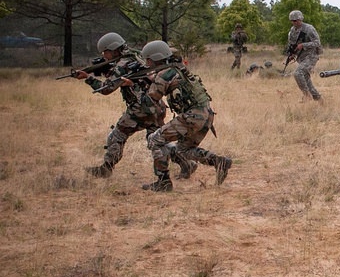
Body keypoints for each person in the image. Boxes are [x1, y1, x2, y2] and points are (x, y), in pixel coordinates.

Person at [75, 32, 194, 180]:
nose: (104, 55)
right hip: (156, 107)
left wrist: (87, 78)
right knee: (156, 140)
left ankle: (106, 168)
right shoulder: (136, 57)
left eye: (105, 52)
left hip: (140, 109)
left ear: (113, 50)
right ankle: (185, 163)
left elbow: (106, 89)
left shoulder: (122, 64)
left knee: (117, 135)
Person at [139, 41, 232, 192]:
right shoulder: (177, 68)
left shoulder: (164, 74)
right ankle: (219, 162)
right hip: (206, 114)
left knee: (155, 140)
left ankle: (163, 182)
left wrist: (140, 86)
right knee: (184, 149)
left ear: (155, 58)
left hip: (192, 116)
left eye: (148, 59)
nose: (146, 63)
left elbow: (149, 101)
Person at [287, 10, 323, 101]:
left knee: (298, 73)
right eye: (292, 21)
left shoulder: (309, 28)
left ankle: (306, 95)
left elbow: (317, 43)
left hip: (311, 56)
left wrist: (304, 45)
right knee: (306, 79)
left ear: (300, 19)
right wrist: (292, 54)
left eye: (296, 20)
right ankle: (319, 99)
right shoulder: (292, 31)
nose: (294, 22)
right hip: (301, 57)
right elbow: (292, 45)